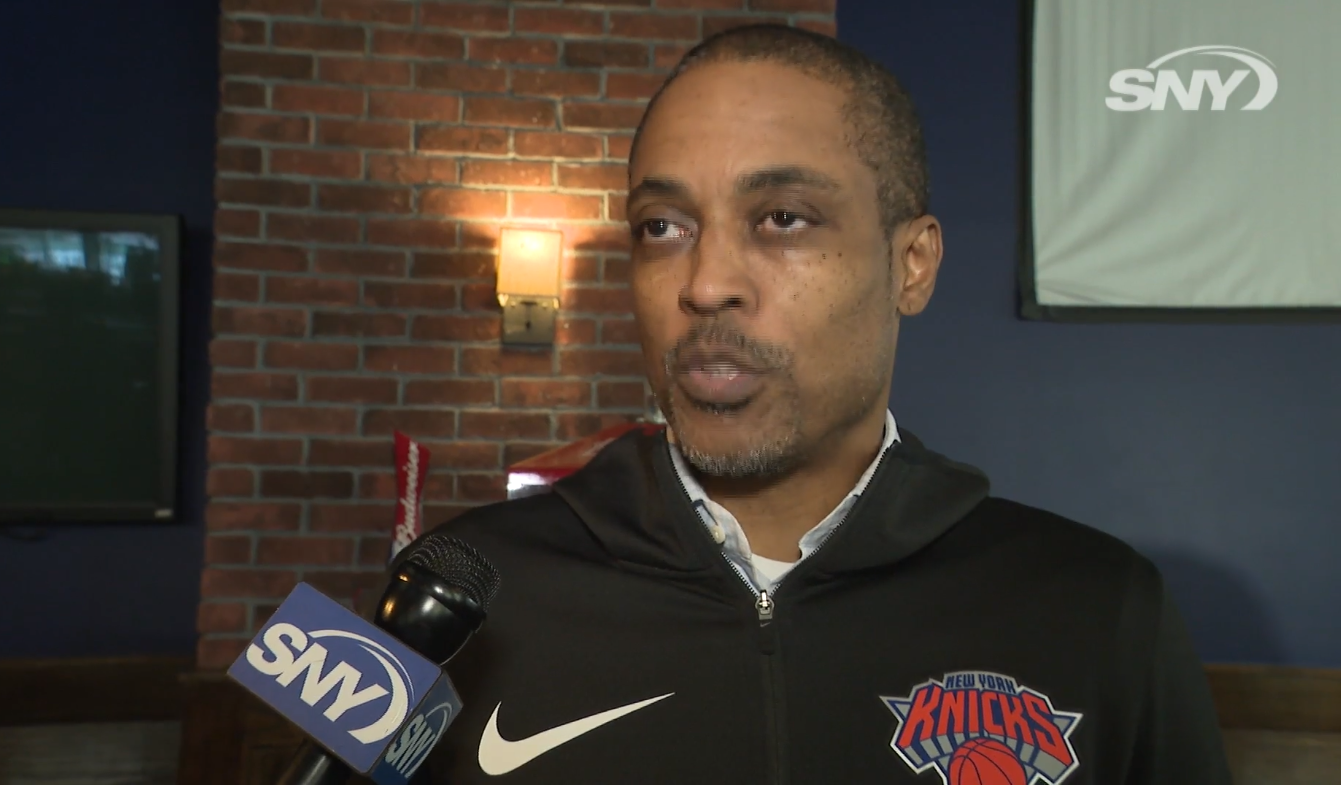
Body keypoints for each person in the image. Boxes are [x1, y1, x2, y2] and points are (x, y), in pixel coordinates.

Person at [406, 24, 1234, 785]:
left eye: (782, 218)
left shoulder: (1096, 608)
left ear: (911, 265)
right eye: (662, 226)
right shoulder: (463, 597)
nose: (706, 284)